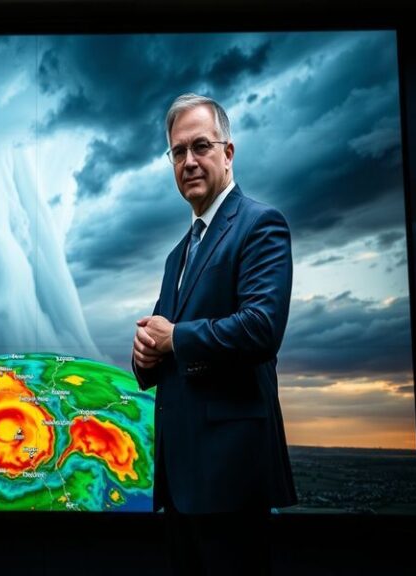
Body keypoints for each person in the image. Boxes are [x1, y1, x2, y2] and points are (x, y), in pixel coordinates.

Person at [132, 93, 297, 575]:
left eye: (200, 146)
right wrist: (145, 356)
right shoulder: (177, 254)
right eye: (177, 152)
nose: (188, 161)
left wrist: (175, 338)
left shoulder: (260, 225)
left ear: (228, 153)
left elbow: (262, 327)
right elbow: (164, 347)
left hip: (232, 478)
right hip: (182, 482)